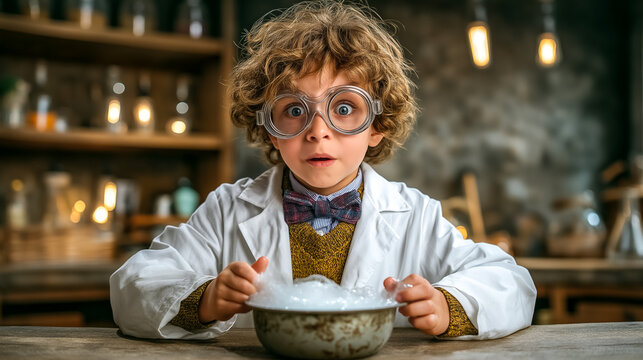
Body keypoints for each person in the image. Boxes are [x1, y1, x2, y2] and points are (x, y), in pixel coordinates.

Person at [110, 0, 536, 340]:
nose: (318, 132)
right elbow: (133, 283)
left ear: (378, 126)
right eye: (294, 110)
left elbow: (511, 283)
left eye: (345, 108)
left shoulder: (415, 216)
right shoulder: (227, 210)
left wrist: (447, 306)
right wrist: (205, 299)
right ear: (270, 129)